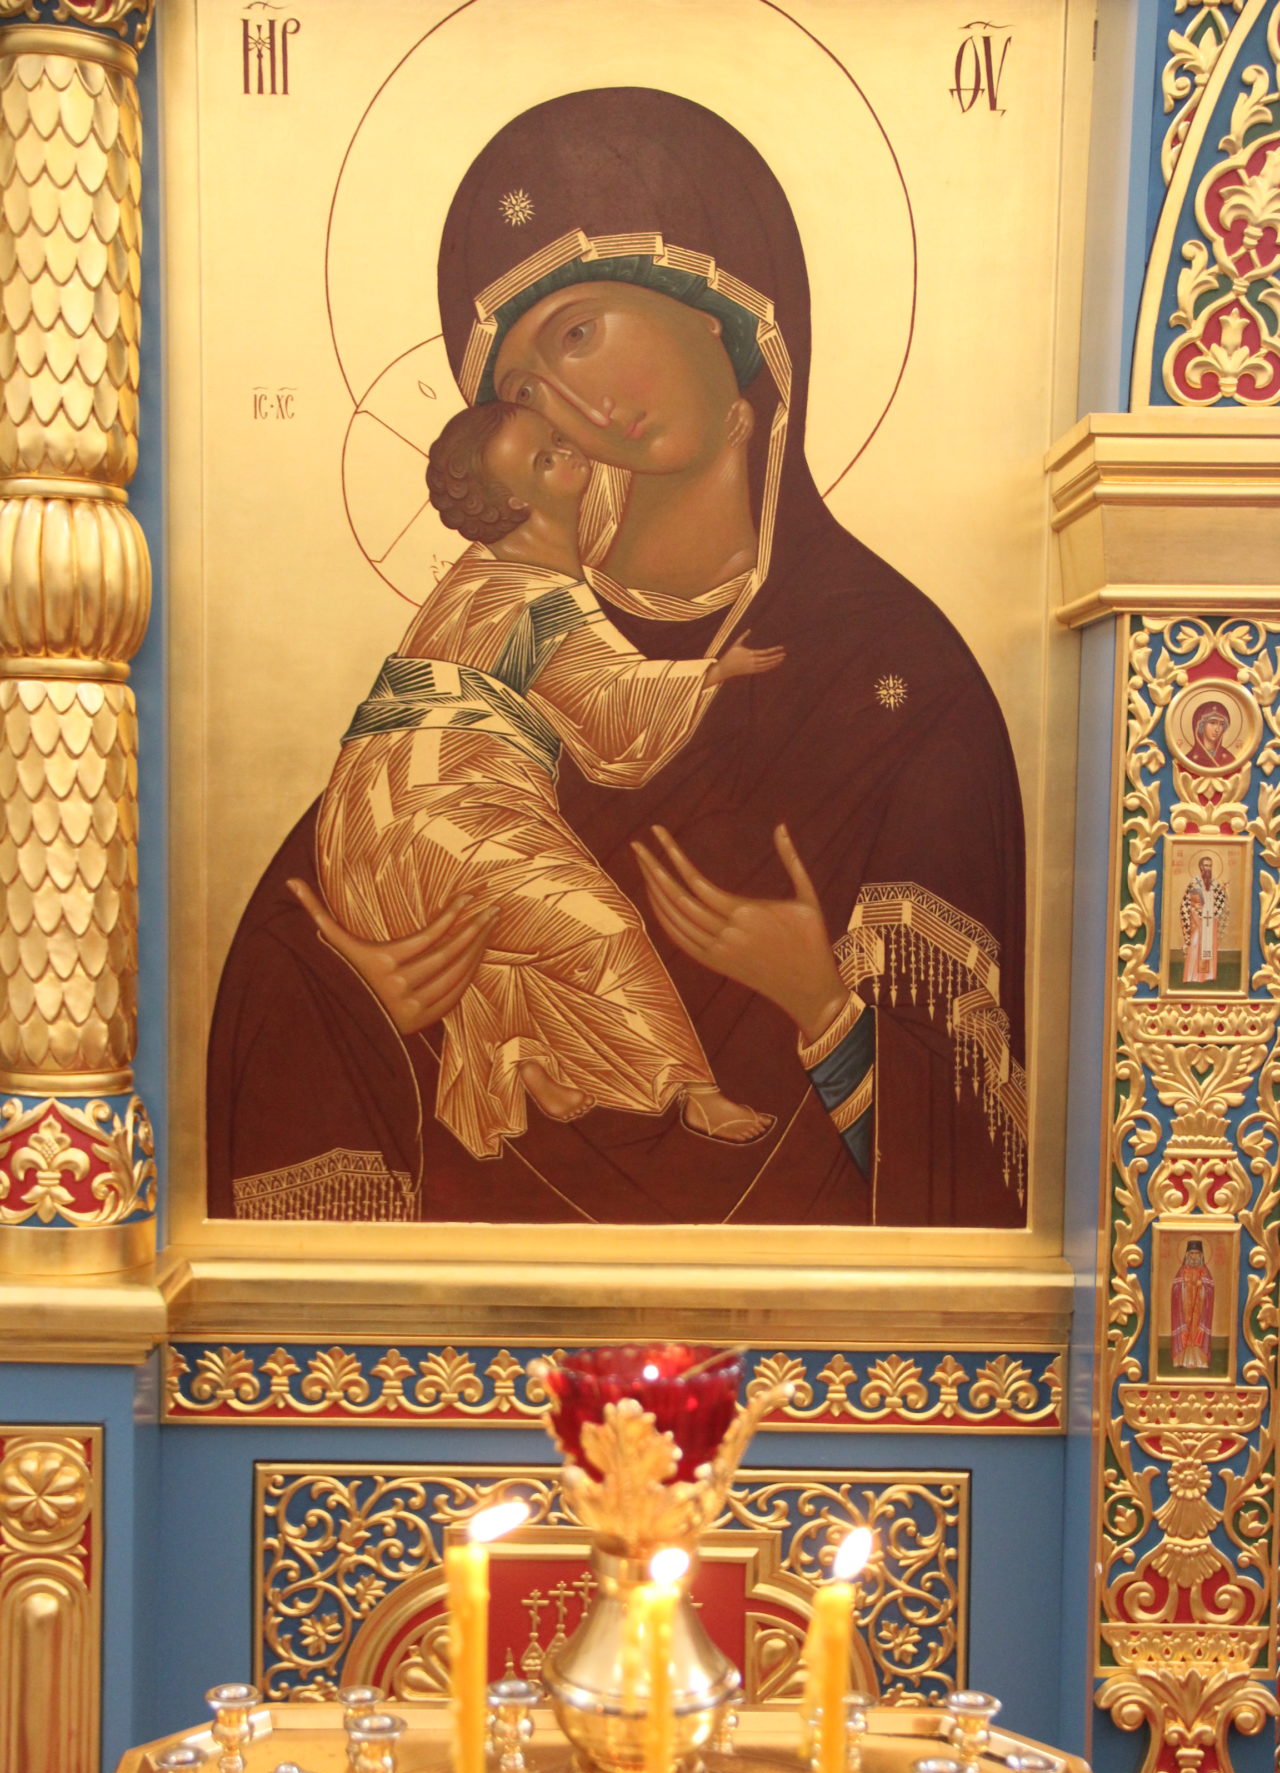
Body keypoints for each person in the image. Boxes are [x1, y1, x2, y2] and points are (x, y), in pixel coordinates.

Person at [208, 87, 1027, 1228]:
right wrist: (361, 1005)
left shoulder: (903, 686)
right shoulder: (497, 650)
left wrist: (825, 1009)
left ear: (724, 308)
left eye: (580, 332)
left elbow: (988, 1174)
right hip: (471, 1305)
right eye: (523, 390)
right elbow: (306, 945)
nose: (572, 401)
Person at [317, 397, 781, 1158]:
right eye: (546, 459)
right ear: (517, 501)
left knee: (501, 937)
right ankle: (690, 1090)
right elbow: (611, 705)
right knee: (598, 926)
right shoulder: (538, 596)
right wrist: (710, 673)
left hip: (370, 819)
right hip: (435, 807)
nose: (571, 455)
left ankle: (524, 1058)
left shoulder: (489, 569)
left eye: (560, 440)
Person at [1180, 853, 1228, 985]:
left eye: (1210, 866)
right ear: (1201, 867)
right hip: (1197, 921)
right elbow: (1191, 904)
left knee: (1210, 946)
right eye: (1206, 865)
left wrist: (1224, 891)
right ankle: (1192, 976)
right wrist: (1198, 916)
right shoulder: (1195, 883)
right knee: (1196, 945)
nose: (1208, 868)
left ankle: (1209, 975)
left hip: (1211, 920)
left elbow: (1220, 899)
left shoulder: (1214, 883)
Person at [1170, 1239, 1215, 1370]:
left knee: (1196, 1331)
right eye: (1192, 1254)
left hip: (1199, 1308)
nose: (1194, 1257)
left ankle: (1200, 1362)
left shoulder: (1205, 1271)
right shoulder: (1182, 1271)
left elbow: (1210, 1290)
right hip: (1185, 1307)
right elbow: (1175, 1290)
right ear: (1187, 1255)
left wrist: (1202, 1286)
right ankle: (1181, 1360)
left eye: (1197, 1254)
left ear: (1201, 1255)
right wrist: (1184, 1285)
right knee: (1186, 1330)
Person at [1187, 699, 1233, 769]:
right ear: (1201, 725)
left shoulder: (1228, 758)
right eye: (1212, 722)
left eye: (1221, 724)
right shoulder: (1189, 759)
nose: (1217, 729)